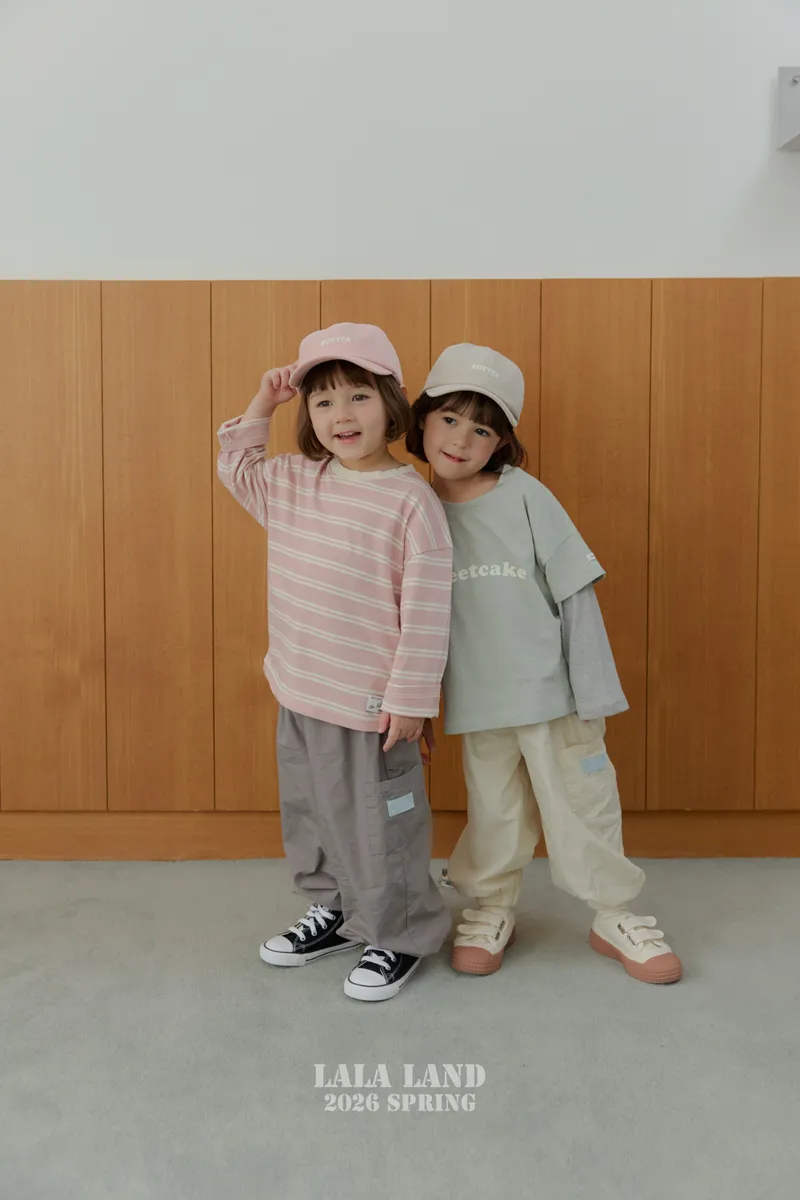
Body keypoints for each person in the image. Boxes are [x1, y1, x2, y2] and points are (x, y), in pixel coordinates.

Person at [406, 342, 682, 984]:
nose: (461, 439)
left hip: (556, 697)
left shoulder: (527, 496)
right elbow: (410, 619)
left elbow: (575, 594)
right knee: (495, 812)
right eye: (449, 418)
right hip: (479, 702)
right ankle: (490, 907)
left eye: (482, 429)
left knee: (582, 805)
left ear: (502, 442)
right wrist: (417, 704)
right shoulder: (414, 509)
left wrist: (594, 690)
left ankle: (614, 915)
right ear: (421, 420)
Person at [217, 323, 452, 1001]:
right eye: (322, 402)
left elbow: (428, 611)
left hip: (372, 709)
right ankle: (339, 910)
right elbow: (236, 466)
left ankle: (399, 931)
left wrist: (411, 700)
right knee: (314, 813)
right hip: (300, 690)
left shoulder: (411, 500)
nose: (341, 415)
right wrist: (263, 403)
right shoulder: (294, 481)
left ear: (390, 404)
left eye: (358, 397)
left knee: (381, 824)